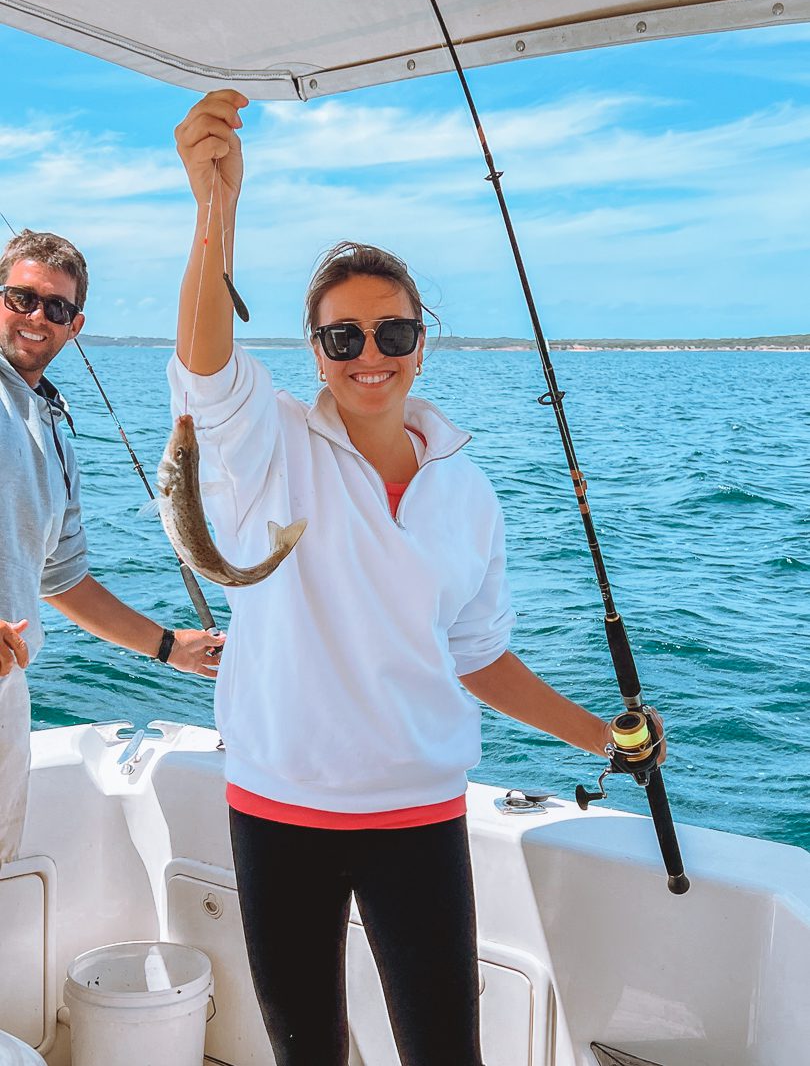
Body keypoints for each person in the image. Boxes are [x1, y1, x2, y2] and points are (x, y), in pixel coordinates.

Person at [172, 90, 665, 1066]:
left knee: (449, 1052)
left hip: (420, 815)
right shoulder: (264, 447)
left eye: (392, 333)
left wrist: (605, 737)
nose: (369, 356)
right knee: (308, 1049)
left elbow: (480, 658)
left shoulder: (466, 489)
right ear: (313, 351)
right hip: (280, 808)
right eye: (341, 337)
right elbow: (205, 368)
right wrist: (214, 209)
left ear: (421, 342)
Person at [0, 229, 223, 866]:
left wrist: (164, 646)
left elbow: (61, 581)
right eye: (21, 298)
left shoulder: (52, 426)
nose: (37, 317)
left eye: (57, 308)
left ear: (76, 325)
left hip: (7, 696)